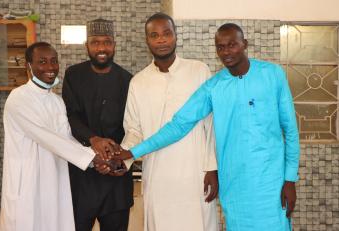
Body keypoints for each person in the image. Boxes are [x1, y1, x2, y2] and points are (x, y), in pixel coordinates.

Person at [112, 23, 300, 231]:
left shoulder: (272, 75)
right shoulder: (214, 87)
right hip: (233, 184)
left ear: (244, 44)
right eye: (221, 47)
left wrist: (290, 179)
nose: (226, 52)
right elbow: (178, 125)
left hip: (270, 183)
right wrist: (132, 151)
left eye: (232, 45)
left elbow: (290, 130)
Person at [120, 13, 219, 231]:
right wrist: (122, 158)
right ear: (147, 41)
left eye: (166, 33)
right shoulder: (138, 82)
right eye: (154, 35)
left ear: (175, 36)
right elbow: (134, 129)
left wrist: (212, 168)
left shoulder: (198, 70)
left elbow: (211, 124)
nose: (161, 40)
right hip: (158, 175)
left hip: (196, 173)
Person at [0, 42, 107, 231]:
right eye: (42, 62)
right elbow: (48, 138)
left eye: (54, 61)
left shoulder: (57, 102)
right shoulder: (18, 98)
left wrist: (93, 159)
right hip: (28, 183)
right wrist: (93, 157)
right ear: (29, 66)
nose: (50, 67)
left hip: (54, 182)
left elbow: (66, 139)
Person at [62, 19, 133, 231]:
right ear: (87, 46)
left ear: (114, 45)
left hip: (116, 175)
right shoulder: (73, 75)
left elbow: (132, 126)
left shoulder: (128, 80)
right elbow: (69, 116)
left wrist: (113, 159)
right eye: (95, 42)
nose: (101, 48)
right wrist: (94, 140)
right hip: (82, 174)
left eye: (107, 42)